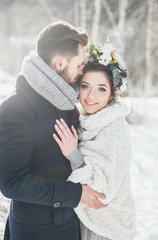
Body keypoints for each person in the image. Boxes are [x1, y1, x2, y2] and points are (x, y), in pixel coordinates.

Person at [0, 21, 107, 240]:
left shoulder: (67, 105)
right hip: (35, 230)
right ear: (60, 62)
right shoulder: (14, 112)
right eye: (80, 65)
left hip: (69, 223)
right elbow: (13, 183)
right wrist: (76, 194)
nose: (82, 72)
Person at [53, 42, 136, 240]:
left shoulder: (114, 129)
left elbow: (100, 191)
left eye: (101, 89)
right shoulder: (85, 120)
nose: (91, 96)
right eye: (85, 86)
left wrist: (73, 155)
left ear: (112, 94)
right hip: (86, 222)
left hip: (107, 228)